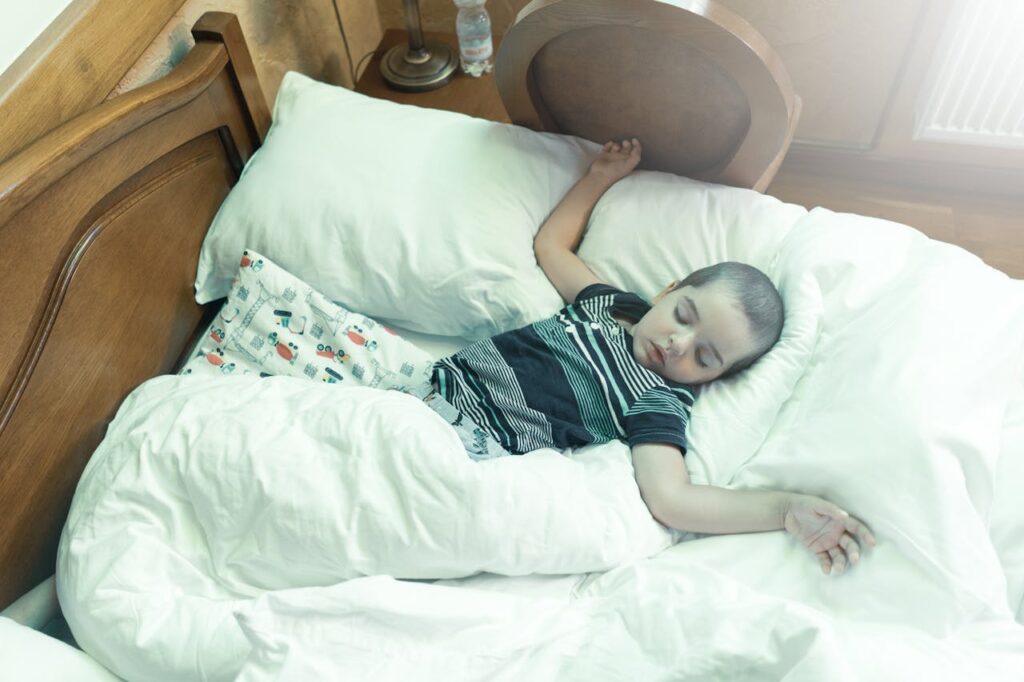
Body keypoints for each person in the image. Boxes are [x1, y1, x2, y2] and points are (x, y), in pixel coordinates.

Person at [424, 138, 875, 576]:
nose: (679, 343)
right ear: (668, 291)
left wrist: (784, 509)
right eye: (683, 315)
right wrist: (599, 177)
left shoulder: (657, 398)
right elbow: (551, 247)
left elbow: (672, 499)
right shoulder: (612, 305)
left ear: (715, 378)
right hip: (428, 388)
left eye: (704, 357)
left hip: (468, 444)